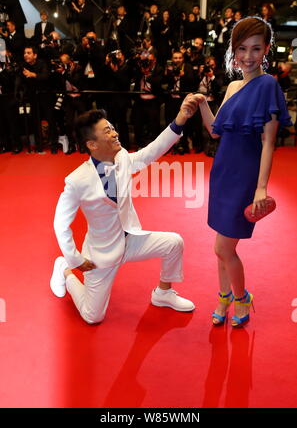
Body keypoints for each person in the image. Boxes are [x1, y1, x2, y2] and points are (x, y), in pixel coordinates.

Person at [50, 97, 199, 324]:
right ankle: (64, 271)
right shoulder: (77, 180)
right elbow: (60, 224)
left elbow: (152, 151)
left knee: (174, 243)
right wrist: (74, 259)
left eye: (112, 128)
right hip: (101, 254)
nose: (115, 133)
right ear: (92, 144)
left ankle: (163, 293)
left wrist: (180, 120)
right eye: (107, 131)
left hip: (130, 240)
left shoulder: (123, 160)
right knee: (93, 317)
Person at [197, 16, 292, 328]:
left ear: (266, 49)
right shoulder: (234, 86)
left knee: (223, 247)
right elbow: (215, 131)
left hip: (245, 177)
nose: (248, 56)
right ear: (233, 51)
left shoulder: (268, 85)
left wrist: (261, 187)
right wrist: (200, 103)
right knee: (221, 248)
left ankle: (240, 298)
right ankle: (224, 297)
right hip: (223, 171)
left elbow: (268, 142)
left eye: (255, 48)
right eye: (242, 49)